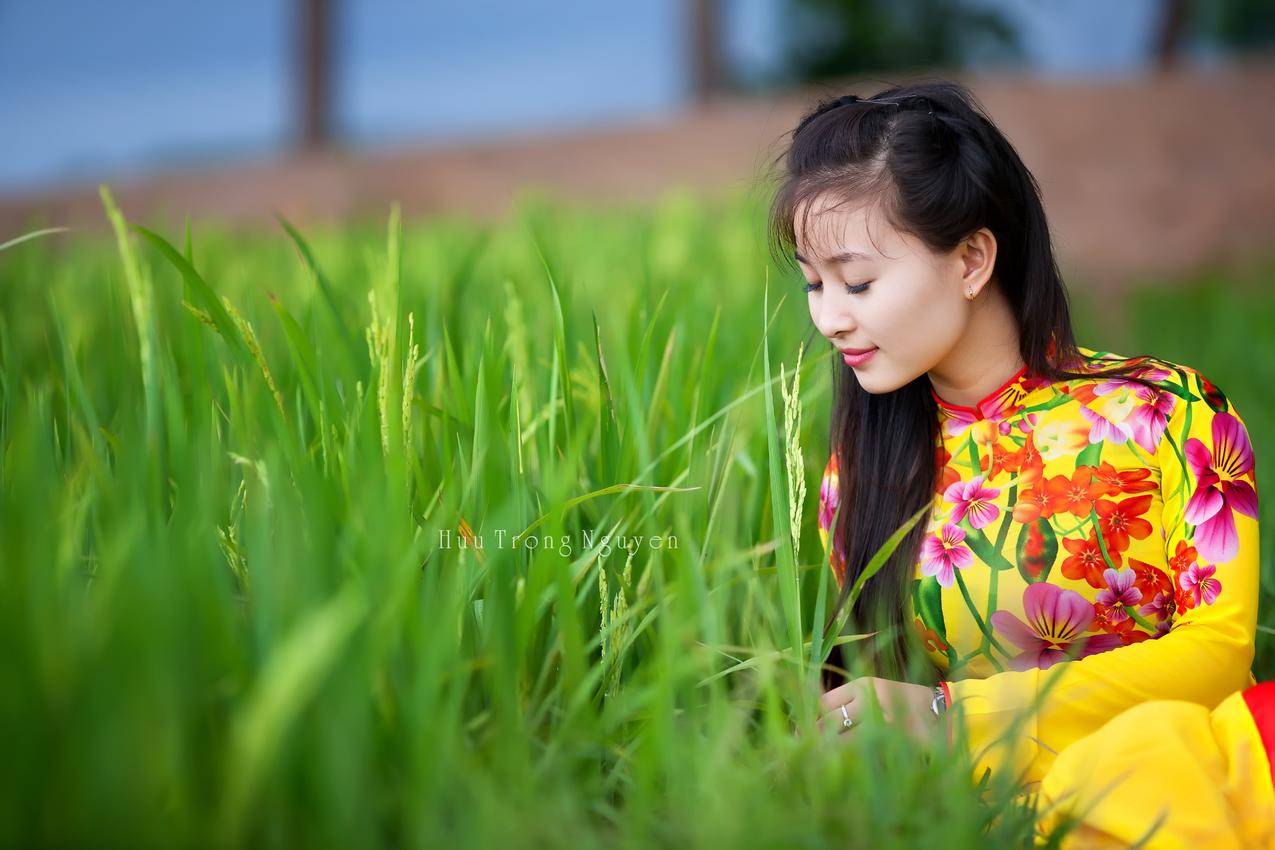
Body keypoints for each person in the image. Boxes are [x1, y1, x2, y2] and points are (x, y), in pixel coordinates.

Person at [768, 79, 1267, 841]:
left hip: (1185, 786)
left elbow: (1218, 656)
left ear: (970, 259)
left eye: (858, 282)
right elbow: (885, 704)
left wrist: (950, 717)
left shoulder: (1166, 412)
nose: (829, 318)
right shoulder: (858, 475)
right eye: (813, 284)